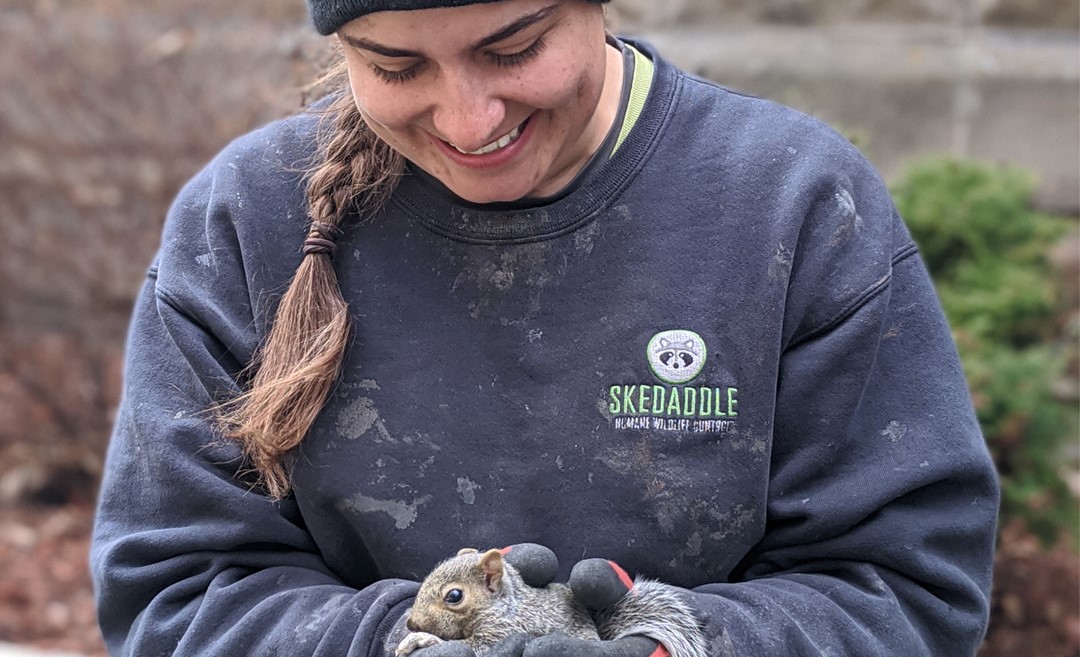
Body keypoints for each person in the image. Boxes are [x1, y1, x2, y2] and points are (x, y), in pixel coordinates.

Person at [90, 0, 1000, 655]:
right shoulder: (246, 223)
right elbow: (175, 586)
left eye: (513, 46)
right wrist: (403, 642)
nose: (468, 118)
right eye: (396, 67)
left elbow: (905, 586)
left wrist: (686, 642)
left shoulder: (791, 204)